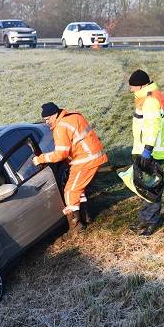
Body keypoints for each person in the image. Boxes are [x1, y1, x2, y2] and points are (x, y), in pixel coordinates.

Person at [32, 102, 108, 239]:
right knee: (78, 189)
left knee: (70, 191)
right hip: (93, 154)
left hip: (85, 160)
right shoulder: (74, 115)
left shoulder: (61, 127)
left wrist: (40, 159)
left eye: (48, 119)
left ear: (55, 114)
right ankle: (85, 216)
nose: (47, 122)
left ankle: (76, 227)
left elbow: (60, 153)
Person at [128, 69, 164, 236]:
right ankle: (145, 218)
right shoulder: (147, 97)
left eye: (133, 87)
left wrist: (147, 149)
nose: (131, 90)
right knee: (145, 186)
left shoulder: (150, 100)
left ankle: (151, 221)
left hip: (149, 150)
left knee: (151, 187)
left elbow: (153, 125)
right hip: (143, 147)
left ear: (142, 85)